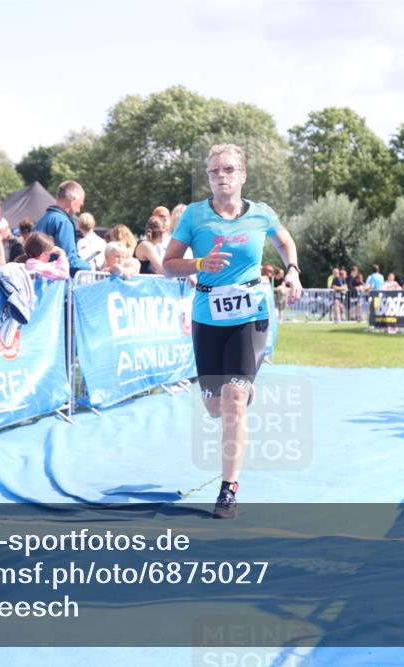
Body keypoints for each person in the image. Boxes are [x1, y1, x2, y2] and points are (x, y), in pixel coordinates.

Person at [162, 143, 301, 519]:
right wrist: (200, 263)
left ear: (242, 175)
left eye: (228, 169)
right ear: (208, 177)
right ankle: (234, 390)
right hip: (208, 316)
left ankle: (228, 491)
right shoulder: (194, 216)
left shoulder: (261, 214)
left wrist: (292, 269)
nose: (221, 176)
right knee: (213, 406)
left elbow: (285, 241)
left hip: (250, 314)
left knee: (233, 401)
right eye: (213, 171)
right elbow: (168, 265)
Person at [34, 180, 90, 276]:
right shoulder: (63, 222)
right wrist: (89, 266)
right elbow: (70, 261)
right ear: (73, 200)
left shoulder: (44, 219)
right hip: (56, 284)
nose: (79, 210)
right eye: (80, 204)